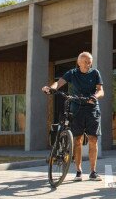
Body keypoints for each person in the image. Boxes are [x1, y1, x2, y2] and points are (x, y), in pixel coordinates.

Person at [42, 51, 104, 182]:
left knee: (93, 139)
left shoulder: (95, 73)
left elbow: (100, 90)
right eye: (86, 62)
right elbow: (58, 83)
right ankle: (78, 171)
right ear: (79, 63)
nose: (89, 64)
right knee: (77, 140)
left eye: (90, 61)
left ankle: (93, 171)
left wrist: (95, 96)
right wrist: (51, 88)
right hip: (76, 109)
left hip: (92, 108)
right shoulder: (72, 73)